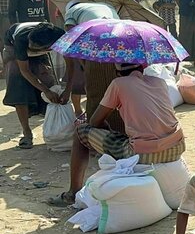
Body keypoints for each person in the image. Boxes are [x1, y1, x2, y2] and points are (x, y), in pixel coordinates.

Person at [48, 62, 186, 206]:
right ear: (142, 67)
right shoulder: (160, 82)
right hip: (177, 146)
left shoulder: (118, 84)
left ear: (117, 72)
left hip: (143, 154)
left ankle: (72, 193)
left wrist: (105, 127)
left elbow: (94, 121)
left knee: (80, 132)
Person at [2, 22, 64, 148]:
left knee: (50, 83)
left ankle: (56, 131)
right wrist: (45, 91)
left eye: (34, 46)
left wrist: (67, 89)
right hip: (14, 51)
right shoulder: (21, 39)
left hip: (41, 52)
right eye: (30, 44)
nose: (30, 46)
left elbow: (71, 63)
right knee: (18, 90)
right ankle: (27, 132)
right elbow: (25, 71)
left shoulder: (61, 37)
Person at [60, 1, 120, 118]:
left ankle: (94, 124)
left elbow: (71, 35)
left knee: (94, 88)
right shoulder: (106, 6)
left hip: (96, 44)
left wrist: (84, 64)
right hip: (116, 45)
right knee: (112, 87)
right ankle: (115, 119)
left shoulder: (71, 12)